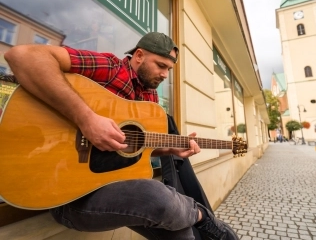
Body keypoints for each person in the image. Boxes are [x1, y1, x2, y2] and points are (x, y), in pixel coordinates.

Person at [4, 32, 239, 240]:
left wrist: (169, 149)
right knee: (158, 195)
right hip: (65, 199)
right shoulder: (109, 67)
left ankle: (197, 219)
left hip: (112, 192)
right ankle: (203, 217)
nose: (165, 75)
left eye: (169, 69)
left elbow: (130, 149)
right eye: (161, 65)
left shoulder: (150, 101)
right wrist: (86, 119)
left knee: (178, 230)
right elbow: (22, 56)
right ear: (138, 56)